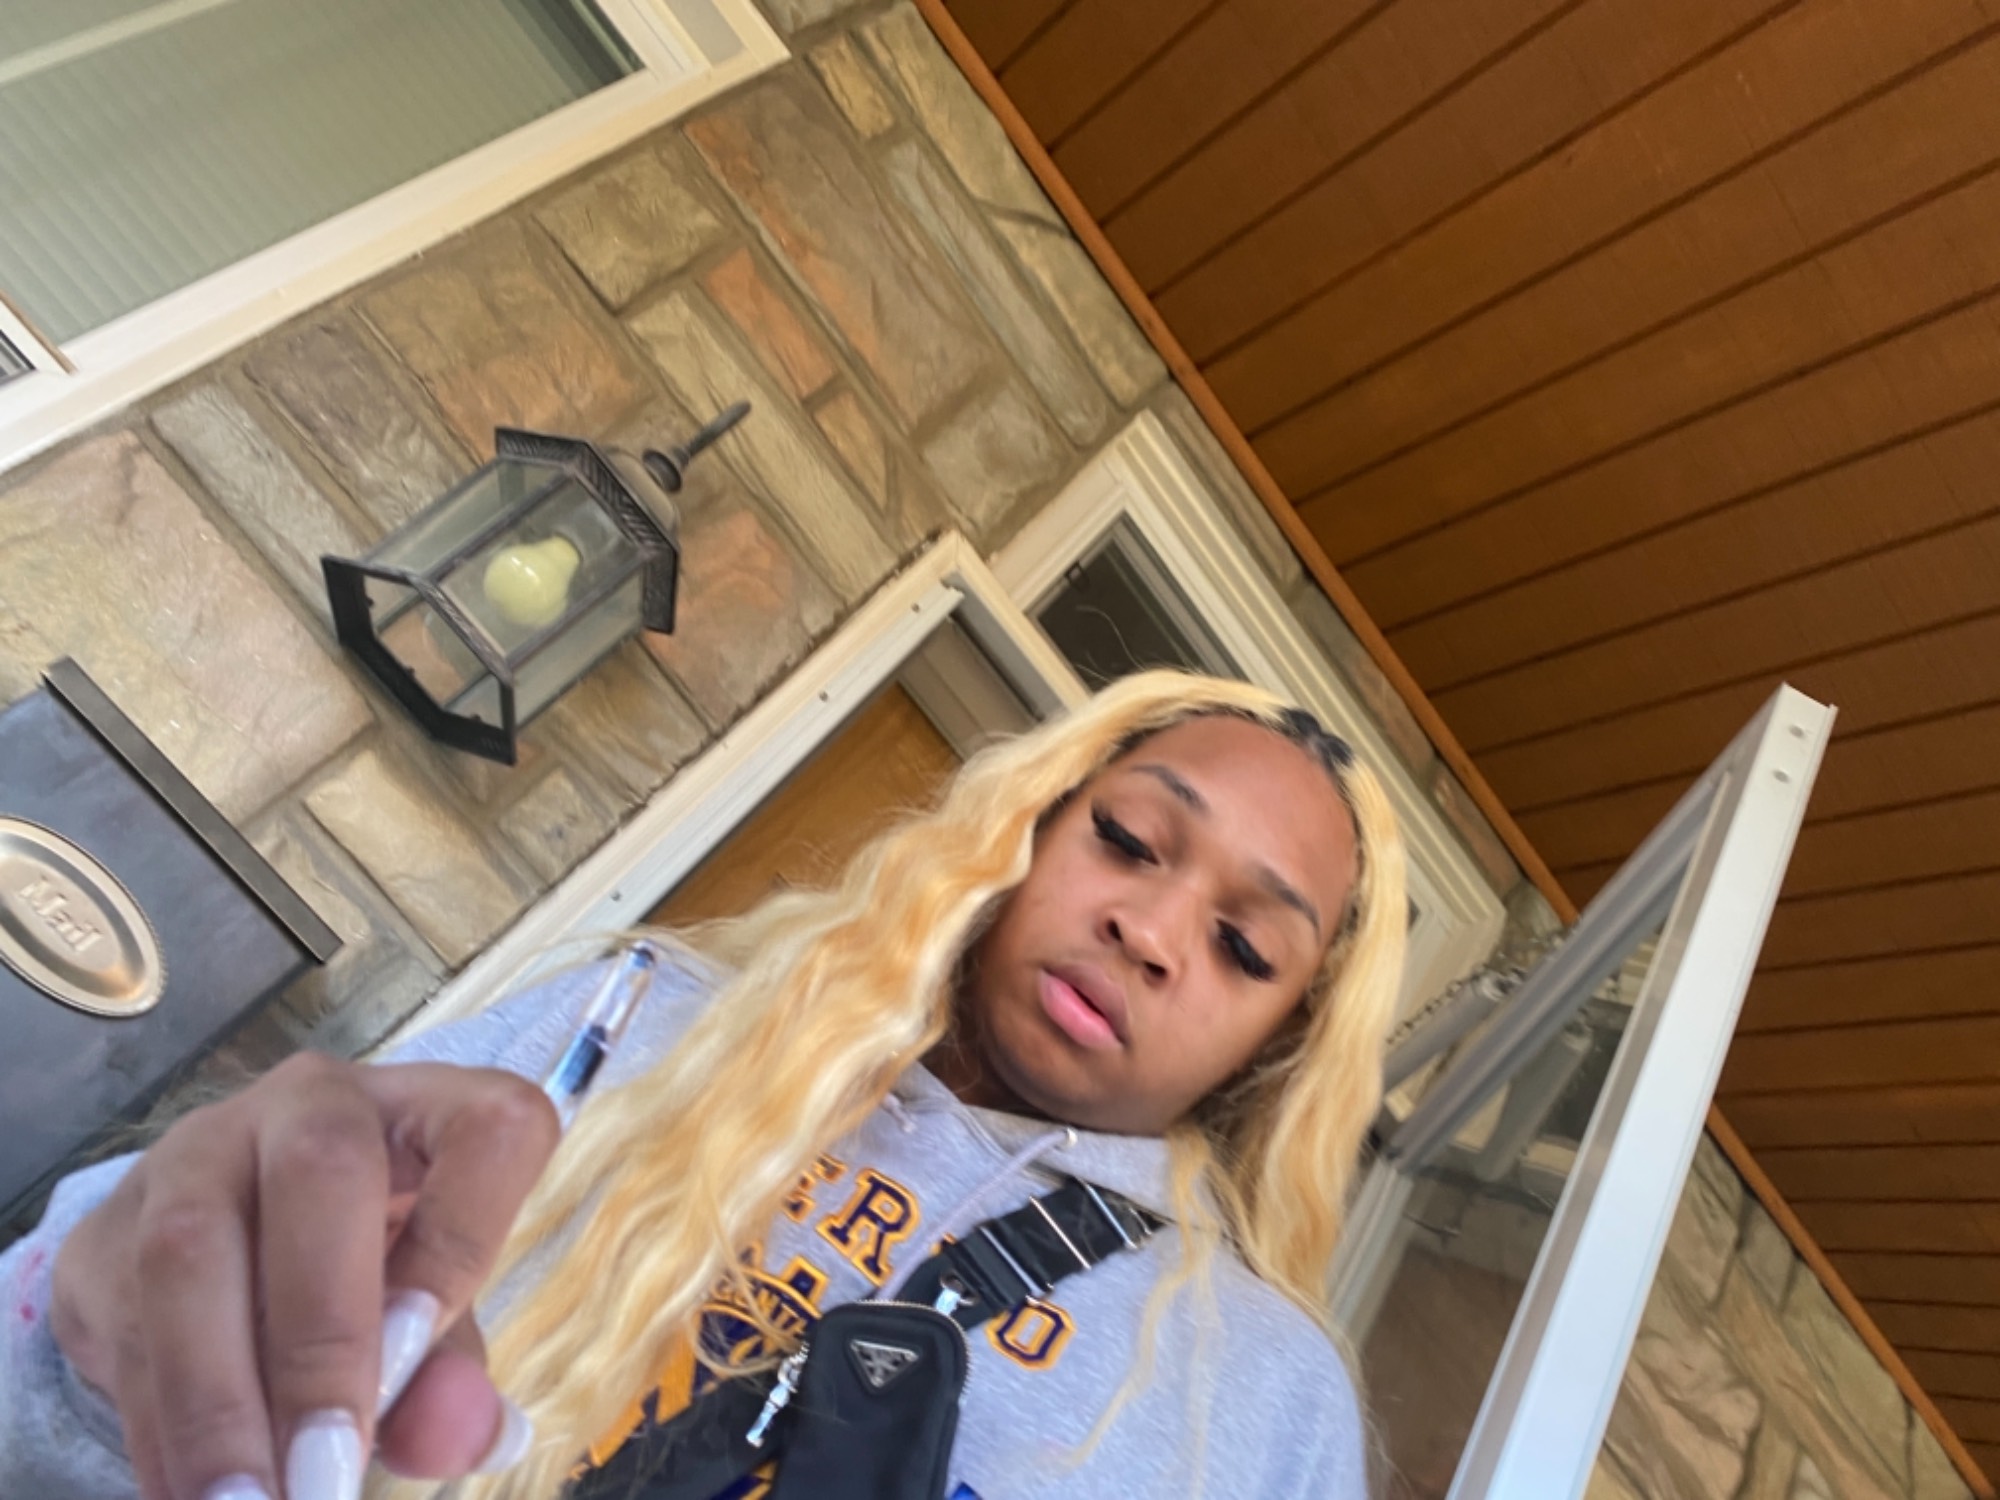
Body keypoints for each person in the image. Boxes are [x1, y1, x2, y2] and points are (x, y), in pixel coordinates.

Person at [1, 670, 1407, 1500]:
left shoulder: (1263, 1401)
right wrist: (97, 1350)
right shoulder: (634, 1019)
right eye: (1130, 839)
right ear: (1030, 822)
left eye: (1244, 947)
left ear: (1279, 1047)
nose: (1151, 932)